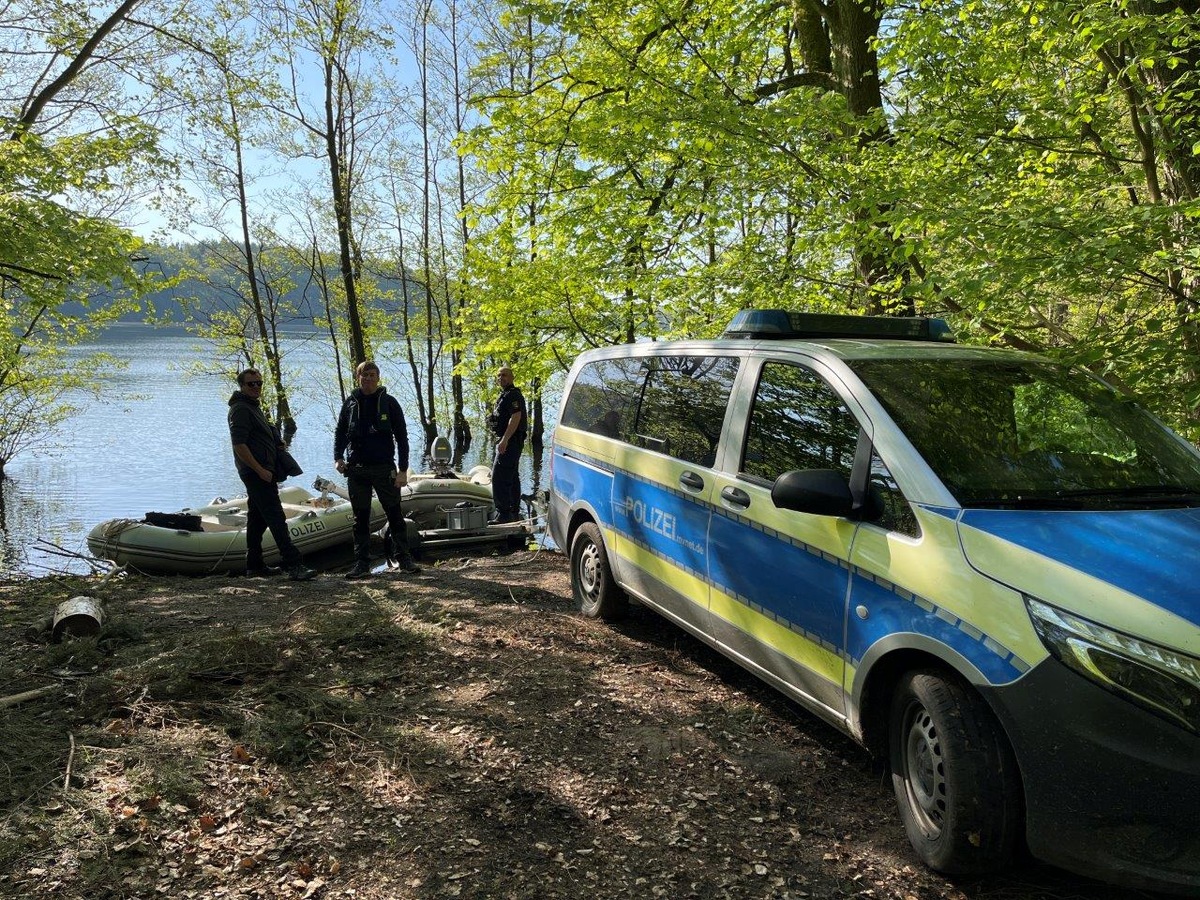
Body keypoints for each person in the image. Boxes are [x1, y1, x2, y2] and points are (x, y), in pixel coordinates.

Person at [334, 361, 421, 579]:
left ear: (378, 378)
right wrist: (337, 457)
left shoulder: (389, 403)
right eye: (364, 375)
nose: (368, 379)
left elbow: (402, 437)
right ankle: (362, 563)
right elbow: (340, 432)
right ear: (358, 378)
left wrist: (402, 469)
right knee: (360, 517)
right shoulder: (351, 403)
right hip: (357, 469)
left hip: (384, 468)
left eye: (372, 375)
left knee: (394, 513)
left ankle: (404, 558)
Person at [227, 368, 316, 581]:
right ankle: (293, 565)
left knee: (257, 519)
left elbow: (258, 435)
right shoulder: (240, 409)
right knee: (276, 516)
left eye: (259, 383)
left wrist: (277, 442)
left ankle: (254, 565)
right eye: (251, 384)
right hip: (256, 472)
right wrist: (259, 470)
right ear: (242, 386)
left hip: (264, 470)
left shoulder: (253, 407)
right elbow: (239, 445)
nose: (256, 387)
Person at [488, 366, 527, 524]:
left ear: (512, 377)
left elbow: (516, 416)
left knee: (499, 476)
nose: (501, 378)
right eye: (498, 375)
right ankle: (513, 512)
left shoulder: (513, 395)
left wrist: (505, 439)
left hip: (510, 442)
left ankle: (503, 514)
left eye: (504, 375)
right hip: (509, 441)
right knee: (512, 476)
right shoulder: (504, 395)